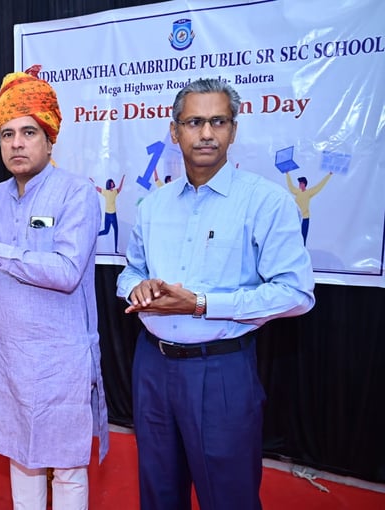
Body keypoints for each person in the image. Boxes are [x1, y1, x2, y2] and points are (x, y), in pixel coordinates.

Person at [116, 78, 316, 510]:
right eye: (194, 122)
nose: (206, 133)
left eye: (218, 121)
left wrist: (202, 304)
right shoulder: (153, 205)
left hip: (221, 369)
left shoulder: (265, 201)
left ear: (233, 130)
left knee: (229, 498)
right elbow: (131, 271)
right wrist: (138, 286)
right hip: (152, 365)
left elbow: (296, 293)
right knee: (158, 493)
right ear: (175, 132)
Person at [0, 67, 109, 510]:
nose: (16, 143)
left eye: (28, 132)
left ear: (50, 140)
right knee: (21, 458)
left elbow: (66, 271)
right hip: (10, 355)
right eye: (7, 134)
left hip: (60, 358)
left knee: (67, 466)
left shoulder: (77, 193)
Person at [285, 170, 332, 244]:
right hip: (296, 218)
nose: (299, 184)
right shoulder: (297, 192)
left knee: (303, 237)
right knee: (295, 236)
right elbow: (290, 186)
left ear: (304, 184)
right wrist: (287, 174)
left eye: (301, 183)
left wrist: (329, 175)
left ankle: (302, 249)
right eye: (299, 183)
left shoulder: (309, 192)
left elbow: (319, 186)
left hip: (305, 218)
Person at [90, 175, 125, 253]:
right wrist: (93, 182)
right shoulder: (105, 192)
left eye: (113, 182)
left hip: (113, 215)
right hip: (108, 215)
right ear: (109, 184)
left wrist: (123, 178)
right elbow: (97, 188)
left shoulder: (115, 192)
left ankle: (116, 249)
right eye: (111, 182)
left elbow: (120, 188)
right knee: (106, 231)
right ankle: (94, 235)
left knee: (116, 231)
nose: (112, 183)